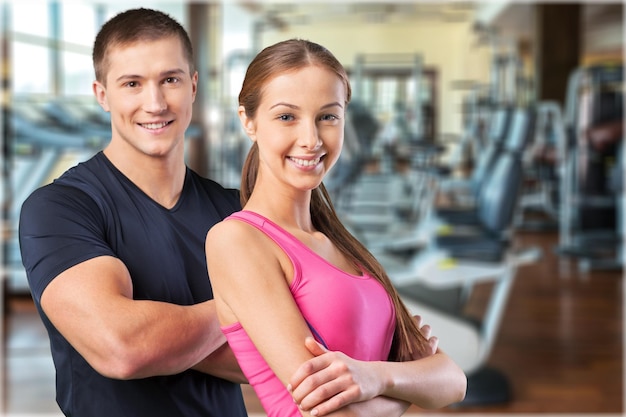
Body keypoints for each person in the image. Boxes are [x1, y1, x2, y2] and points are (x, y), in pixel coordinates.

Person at [205, 38, 467, 417]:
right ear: (248, 121)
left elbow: (453, 381)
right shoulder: (237, 241)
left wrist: (376, 378)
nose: (311, 140)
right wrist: (410, 381)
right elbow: (336, 414)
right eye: (286, 117)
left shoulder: (340, 244)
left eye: (328, 116)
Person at [18, 8, 248, 416]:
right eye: (132, 84)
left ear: (193, 86)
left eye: (170, 80)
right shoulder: (59, 208)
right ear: (102, 94)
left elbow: (281, 356)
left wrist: (158, 332)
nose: (155, 103)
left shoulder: (236, 209)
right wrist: (248, 305)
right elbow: (122, 347)